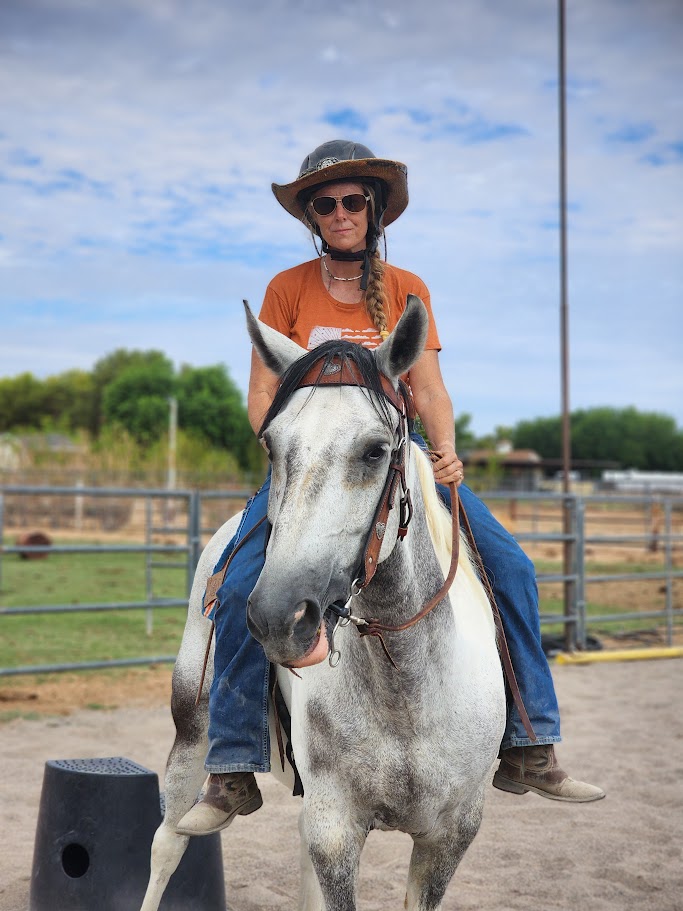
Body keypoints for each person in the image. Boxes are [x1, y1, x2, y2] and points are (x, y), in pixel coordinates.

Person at [176, 140, 604, 836]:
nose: (340, 212)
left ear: (372, 210)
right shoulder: (286, 288)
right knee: (238, 583)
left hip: (392, 461)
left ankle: (529, 740)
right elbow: (260, 397)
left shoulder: (409, 288)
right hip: (307, 464)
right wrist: (300, 440)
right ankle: (230, 765)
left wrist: (446, 452)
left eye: (352, 201)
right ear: (312, 216)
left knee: (512, 568)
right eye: (325, 203)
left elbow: (428, 388)